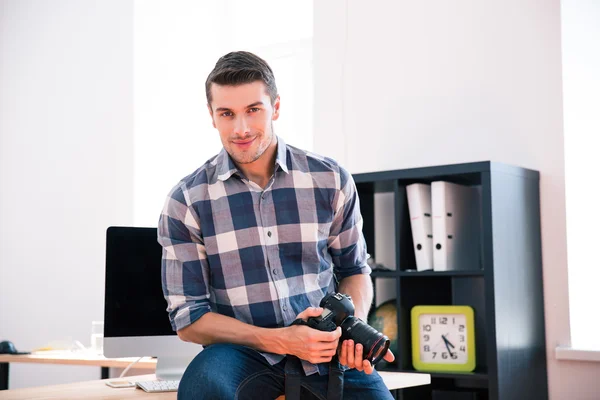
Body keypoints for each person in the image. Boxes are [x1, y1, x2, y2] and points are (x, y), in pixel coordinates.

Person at [157, 51, 395, 400]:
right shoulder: (187, 201)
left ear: (276, 107)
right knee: (201, 385)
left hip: (323, 350)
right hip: (242, 353)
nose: (240, 128)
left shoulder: (330, 179)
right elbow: (189, 320)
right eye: (227, 114)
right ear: (212, 116)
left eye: (253, 110)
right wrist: (280, 339)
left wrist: (349, 330)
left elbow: (355, 271)